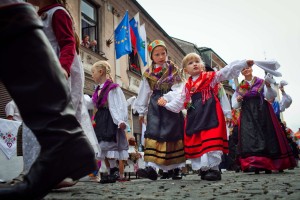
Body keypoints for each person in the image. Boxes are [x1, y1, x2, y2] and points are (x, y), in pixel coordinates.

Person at [0, 1, 96, 199]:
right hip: (45, 65)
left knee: (60, 113)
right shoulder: (41, 13)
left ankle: (60, 157)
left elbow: (68, 43)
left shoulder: (57, 12)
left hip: (56, 66)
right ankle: (51, 164)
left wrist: (63, 66)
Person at [167, 53, 254, 181]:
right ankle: (204, 169)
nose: (195, 64)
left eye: (197, 61)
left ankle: (214, 170)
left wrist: (243, 63)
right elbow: (180, 101)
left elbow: (226, 71)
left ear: (202, 66)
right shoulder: (187, 86)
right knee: (198, 140)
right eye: (190, 63)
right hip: (195, 116)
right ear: (186, 70)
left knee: (211, 139)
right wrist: (166, 104)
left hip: (211, 113)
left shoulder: (211, 77)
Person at [231, 63, 296, 174]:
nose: (246, 70)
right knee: (250, 137)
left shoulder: (261, 81)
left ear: (251, 69)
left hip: (262, 110)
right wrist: (238, 100)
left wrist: (269, 86)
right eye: (243, 69)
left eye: (247, 68)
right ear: (241, 72)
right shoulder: (240, 87)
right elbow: (235, 105)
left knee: (266, 135)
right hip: (247, 113)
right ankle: (254, 164)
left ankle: (268, 163)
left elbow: (271, 96)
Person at [135, 40, 186, 181]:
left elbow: (179, 88)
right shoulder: (148, 73)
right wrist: (141, 111)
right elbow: (143, 92)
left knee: (173, 133)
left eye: (163, 53)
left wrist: (169, 98)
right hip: (155, 105)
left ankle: (176, 169)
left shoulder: (174, 70)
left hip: (170, 104)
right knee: (153, 132)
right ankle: (151, 168)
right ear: (152, 57)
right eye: (157, 54)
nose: (161, 56)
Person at [87, 60, 129, 183]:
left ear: (101, 72)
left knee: (107, 144)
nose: (92, 75)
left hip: (110, 118)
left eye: (93, 72)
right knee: (102, 145)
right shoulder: (98, 89)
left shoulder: (113, 88)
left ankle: (112, 171)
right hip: (100, 118)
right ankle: (107, 172)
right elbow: (92, 103)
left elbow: (118, 104)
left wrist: (120, 120)